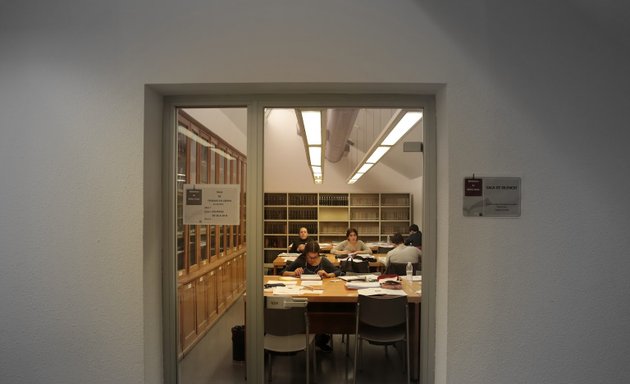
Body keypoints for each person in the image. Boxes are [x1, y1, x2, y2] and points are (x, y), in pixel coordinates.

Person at [282, 241, 339, 352]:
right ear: (306, 254)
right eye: (310, 257)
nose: (312, 260)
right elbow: (283, 272)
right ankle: (307, 334)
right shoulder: (301, 259)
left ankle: (320, 336)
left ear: (318, 254)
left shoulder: (323, 261)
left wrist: (328, 275)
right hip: (304, 294)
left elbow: (339, 272)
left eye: (315, 257)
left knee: (322, 310)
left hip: (320, 295)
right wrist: (294, 272)